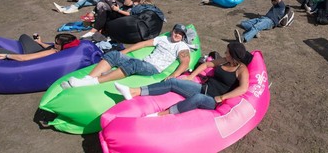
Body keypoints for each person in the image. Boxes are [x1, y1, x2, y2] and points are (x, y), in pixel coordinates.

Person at [114, 42, 249, 116]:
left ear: (233, 56)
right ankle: (134, 91)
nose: (224, 54)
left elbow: (243, 88)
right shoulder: (224, 61)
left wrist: (222, 97)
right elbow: (207, 64)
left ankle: (163, 114)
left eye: (227, 52)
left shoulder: (241, 70)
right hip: (203, 88)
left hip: (213, 100)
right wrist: (191, 76)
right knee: (172, 81)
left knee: (198, 98)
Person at [61, 23, 190, 88]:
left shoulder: (182, 46)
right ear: (172, 31)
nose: (177, 34)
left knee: (134, 64)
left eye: (180, 34)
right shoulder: (163, 38)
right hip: (143, 62)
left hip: (154, 69)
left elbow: (185, 63)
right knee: (114, 54)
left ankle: (93, 82)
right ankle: (87, 78)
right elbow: (144, 44)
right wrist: (125, 51)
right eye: (176, 31)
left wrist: (173, 75)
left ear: (183, 36)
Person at [0, 33, 80, 65]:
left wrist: (6, 55)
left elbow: (24, 59)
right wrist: (40, 43)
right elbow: (50, 47)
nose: (54, 43)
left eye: (56, 43)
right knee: (24, 37)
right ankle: (36, 42)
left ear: (63, 46)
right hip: (36, 51)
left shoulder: (52, 52)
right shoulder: (57, 50)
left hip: (27, 58)